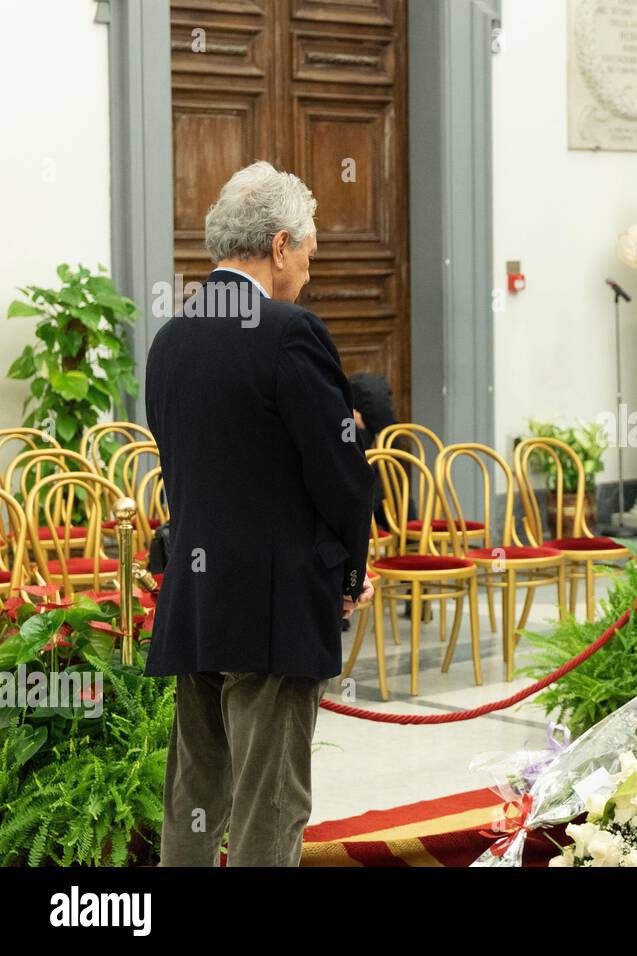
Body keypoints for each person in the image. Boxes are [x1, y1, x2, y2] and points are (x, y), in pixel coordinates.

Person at [145, 160, 375, 866]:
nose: (307, 271)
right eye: (306, 253)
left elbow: (186, 472)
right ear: (279, 246)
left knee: (194, 799)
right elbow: (338, 471)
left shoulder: (170, 339)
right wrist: (351, 567)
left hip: (198, 596)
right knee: (270, 809)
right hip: (274, 611)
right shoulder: (288, 332)